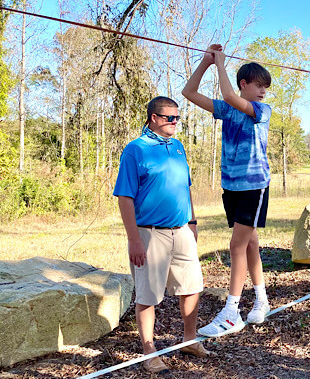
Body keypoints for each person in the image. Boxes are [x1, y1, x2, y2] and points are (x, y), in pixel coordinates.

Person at [113, 96, 210, 374]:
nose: (175, 123)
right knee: (148, 294)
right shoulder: (135, 150)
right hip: (149, 234)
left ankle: (189, 340)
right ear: (153, 118)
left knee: (192, 286)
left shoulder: (178, 147)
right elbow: (124, 197)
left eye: (178, 118)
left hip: (181, 231)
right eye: (170, 118)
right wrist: (134, 239)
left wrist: (192, 222)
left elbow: (186, 187)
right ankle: (149, 351)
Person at [182, 44, 272, 337]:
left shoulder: (261, 110)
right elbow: (190, 93)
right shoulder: (227, 110)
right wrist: (206, 62)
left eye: (265, 87)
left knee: (236, 245)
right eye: (258, 86)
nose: (263, 91)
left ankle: (232, 313)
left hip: (253, 185)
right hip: (231, 185)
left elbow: (230, 96)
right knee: (249, 243)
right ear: (245, 83)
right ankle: (261, 300)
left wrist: (221, 63)